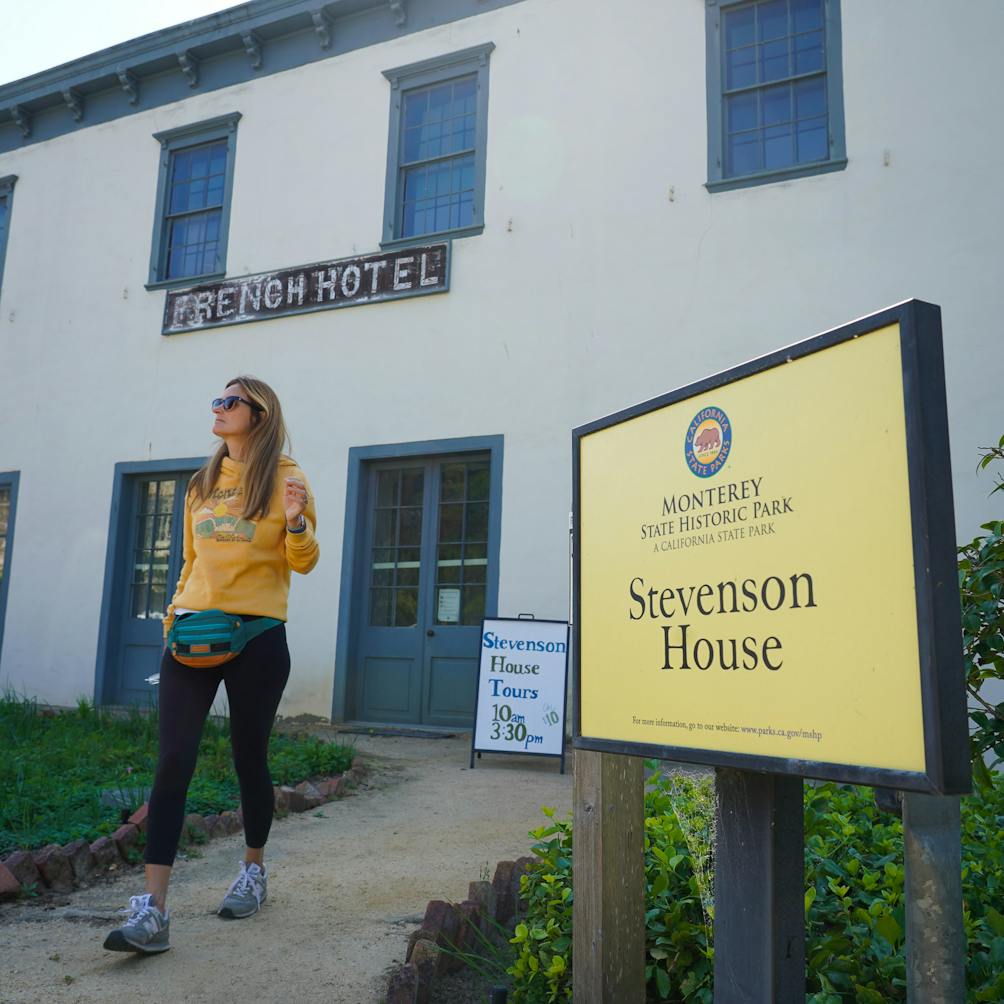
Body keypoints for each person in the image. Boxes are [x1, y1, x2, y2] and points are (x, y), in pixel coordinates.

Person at [103, 376, 319, 954]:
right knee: (173, 759)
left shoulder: (286, 479)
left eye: (230, 403)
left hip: (257, 638)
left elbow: (304, 562)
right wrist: (174, 614)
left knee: (249, 755)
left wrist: (296, 522)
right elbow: (190, 562)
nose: (218, 410)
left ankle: (253, 869)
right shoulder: (201, 483)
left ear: (260, 413)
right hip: (191, 635)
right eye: (215, 402)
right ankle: (153, 911)